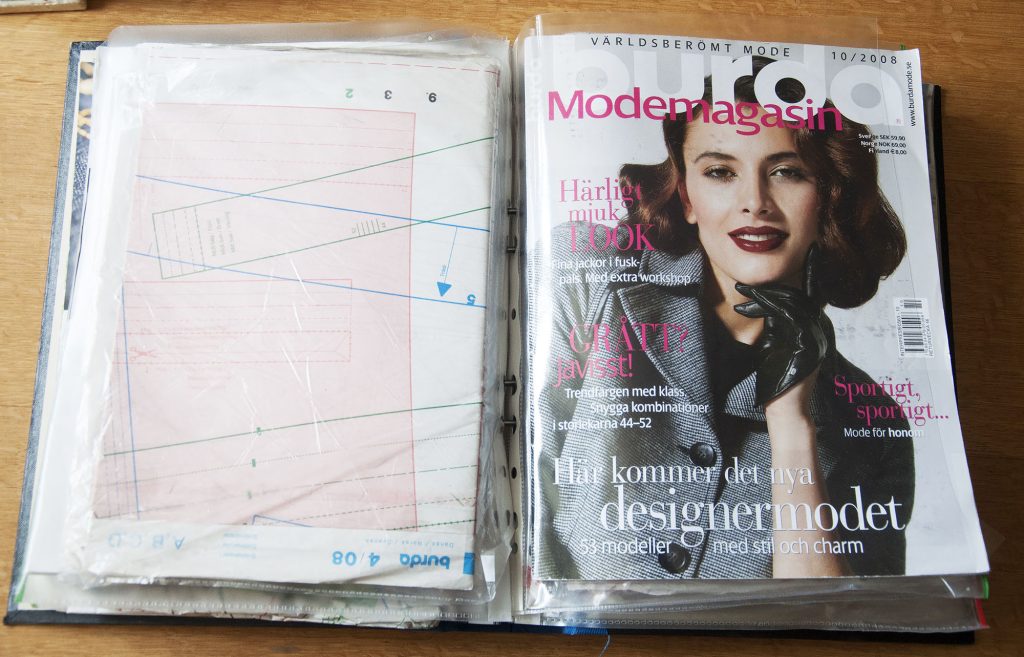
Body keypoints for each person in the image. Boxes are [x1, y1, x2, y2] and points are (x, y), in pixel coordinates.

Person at [535, 58, 915, 581]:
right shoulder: (585, 272)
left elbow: (828, 615)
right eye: (720, 172)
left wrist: (792, 424)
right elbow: (526, 497)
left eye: (787, 172)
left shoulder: (874, 424)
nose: (755, 203)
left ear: (829, 197)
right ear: (687, 197)